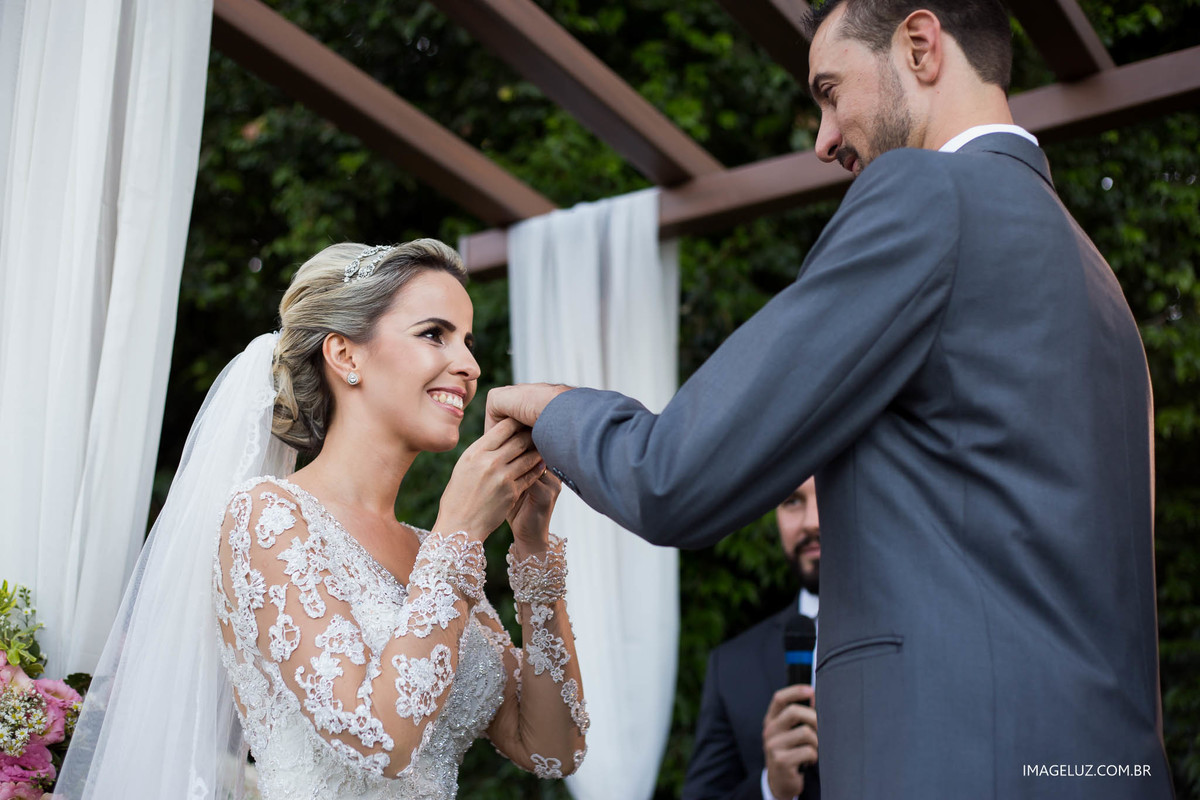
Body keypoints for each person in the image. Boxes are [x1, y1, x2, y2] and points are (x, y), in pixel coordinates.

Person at [485, 1, 1173, 797]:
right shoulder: (1100, 285)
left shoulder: (928, 193)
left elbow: (672, 473)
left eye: (829, 90)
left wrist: (557, 404)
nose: (824, 139)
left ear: (920, 45)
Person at [58, 240, 588, 799]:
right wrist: (458, 537)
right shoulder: (267, 516)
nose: (470, 365)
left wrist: (532, 553)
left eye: (468, 341)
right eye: (435, 334)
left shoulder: (432, 553)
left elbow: (551, 749)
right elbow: (376, 737)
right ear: (345, 355)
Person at [683, 478, 822, 800]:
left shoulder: (922, 634)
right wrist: (770, 789)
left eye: (827, 496)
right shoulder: (732, 666)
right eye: (792, 500)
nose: (811, 521)